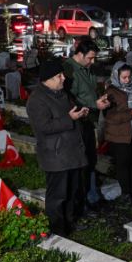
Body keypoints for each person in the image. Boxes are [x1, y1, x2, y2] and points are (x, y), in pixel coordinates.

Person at [27, 59, 89, 236]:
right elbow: (44, 127)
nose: (63, 78)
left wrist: (81, 113)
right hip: (56, 156)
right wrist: (71, 118)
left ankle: (69, 223)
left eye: (62, 74)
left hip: (71, 153)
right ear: (47, 79)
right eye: (58, 76)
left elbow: (70, 113)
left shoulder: (61, 92)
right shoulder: (37, 100)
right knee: (57, 196)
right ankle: (57, 230)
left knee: (71, 192)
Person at [63, 37, 110, 208]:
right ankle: (80, 200)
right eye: (90, 57)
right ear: (80, 54)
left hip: (89, 120)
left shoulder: (86, 68)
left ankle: (91, 196)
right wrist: (92, 104)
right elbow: (67, 99)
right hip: (77, 123)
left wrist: (99, 98)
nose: (93, 61)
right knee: (81, 162)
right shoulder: (69, 70)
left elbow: (87, 92)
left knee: (90, 159)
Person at [104, 62, 132, 204]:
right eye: (123, 77)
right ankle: (126, 193)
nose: (127, 80)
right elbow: (109, 116)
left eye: (129, 77)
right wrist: (130, 113)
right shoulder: (111, 92)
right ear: (116, 76)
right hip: (119, 135)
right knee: (123, 163)